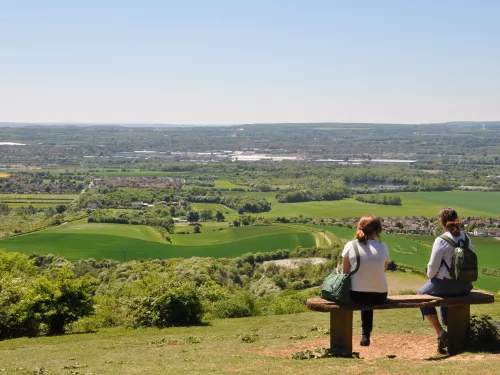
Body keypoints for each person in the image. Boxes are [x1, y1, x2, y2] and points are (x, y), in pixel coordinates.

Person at [418, 207, 473, 354]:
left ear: (441, 222)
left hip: (446, 284)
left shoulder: (441, 240)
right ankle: (452, 330)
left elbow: (432, 268)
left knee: (421, 295)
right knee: (444, 298)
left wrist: (432, 277)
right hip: (466, 285)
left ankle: (441, 332)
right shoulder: (466, 238)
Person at [342, 215, 389, 346]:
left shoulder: (350, 246)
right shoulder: (383, 247)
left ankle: (360, 334)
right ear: (378, 231)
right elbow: (383, 270)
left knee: (362, 291)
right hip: (380, 295)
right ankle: (365, 333)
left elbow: (344, 274)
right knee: (369, 293)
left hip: (356, 295)